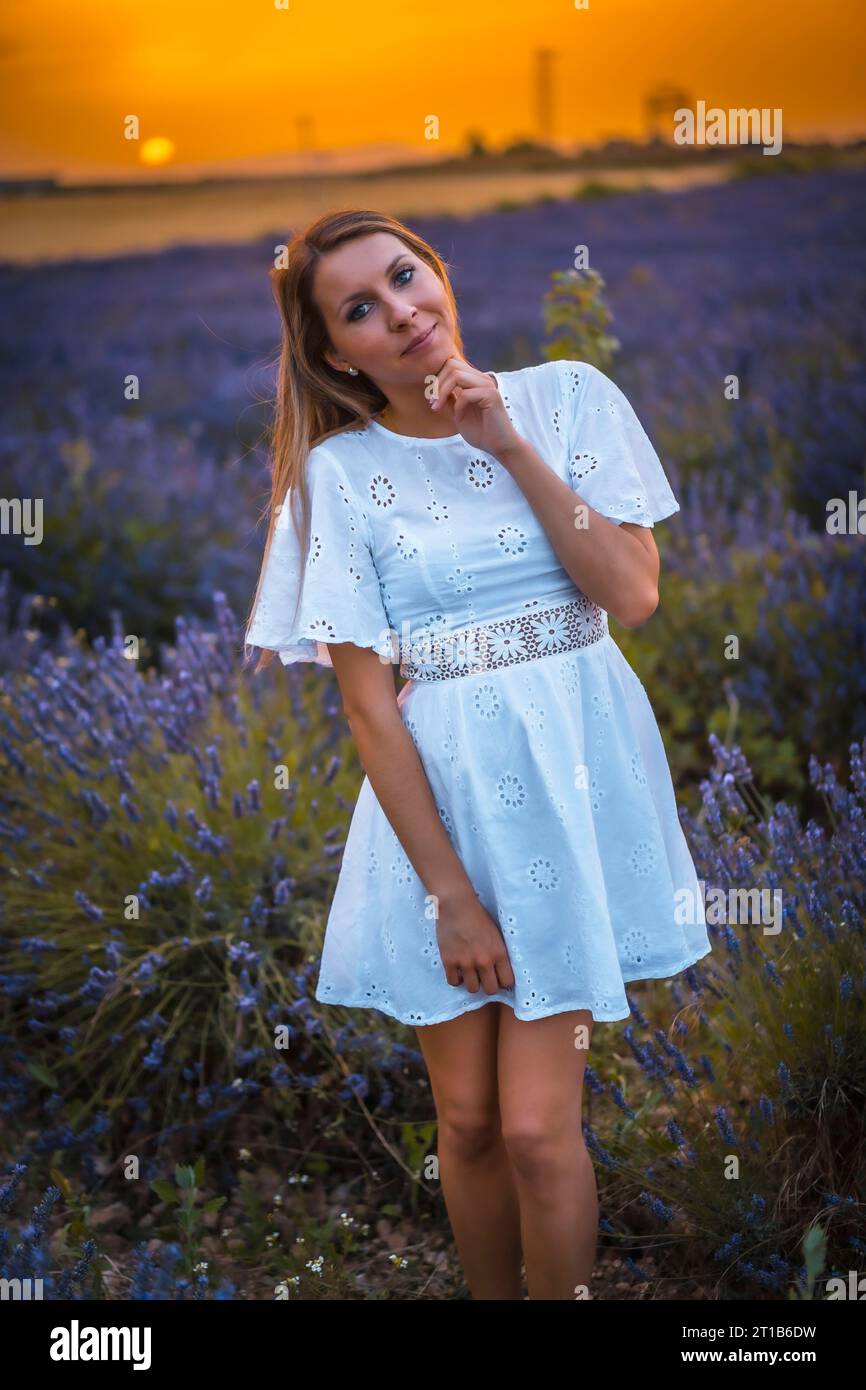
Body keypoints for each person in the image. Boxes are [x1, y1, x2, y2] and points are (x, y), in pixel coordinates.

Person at [244, 208, 712, 1300]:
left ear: (439, 272)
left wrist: (505, 439)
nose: (399, 312)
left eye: (405, 278)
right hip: (435, 819)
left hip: (568, 793)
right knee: (464, 1122)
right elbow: (367, 709)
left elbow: (632, 594)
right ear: (331, 351)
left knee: (540, 1128)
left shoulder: (566, 397)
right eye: (358, 308)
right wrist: (449, 894)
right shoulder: (339, 478)